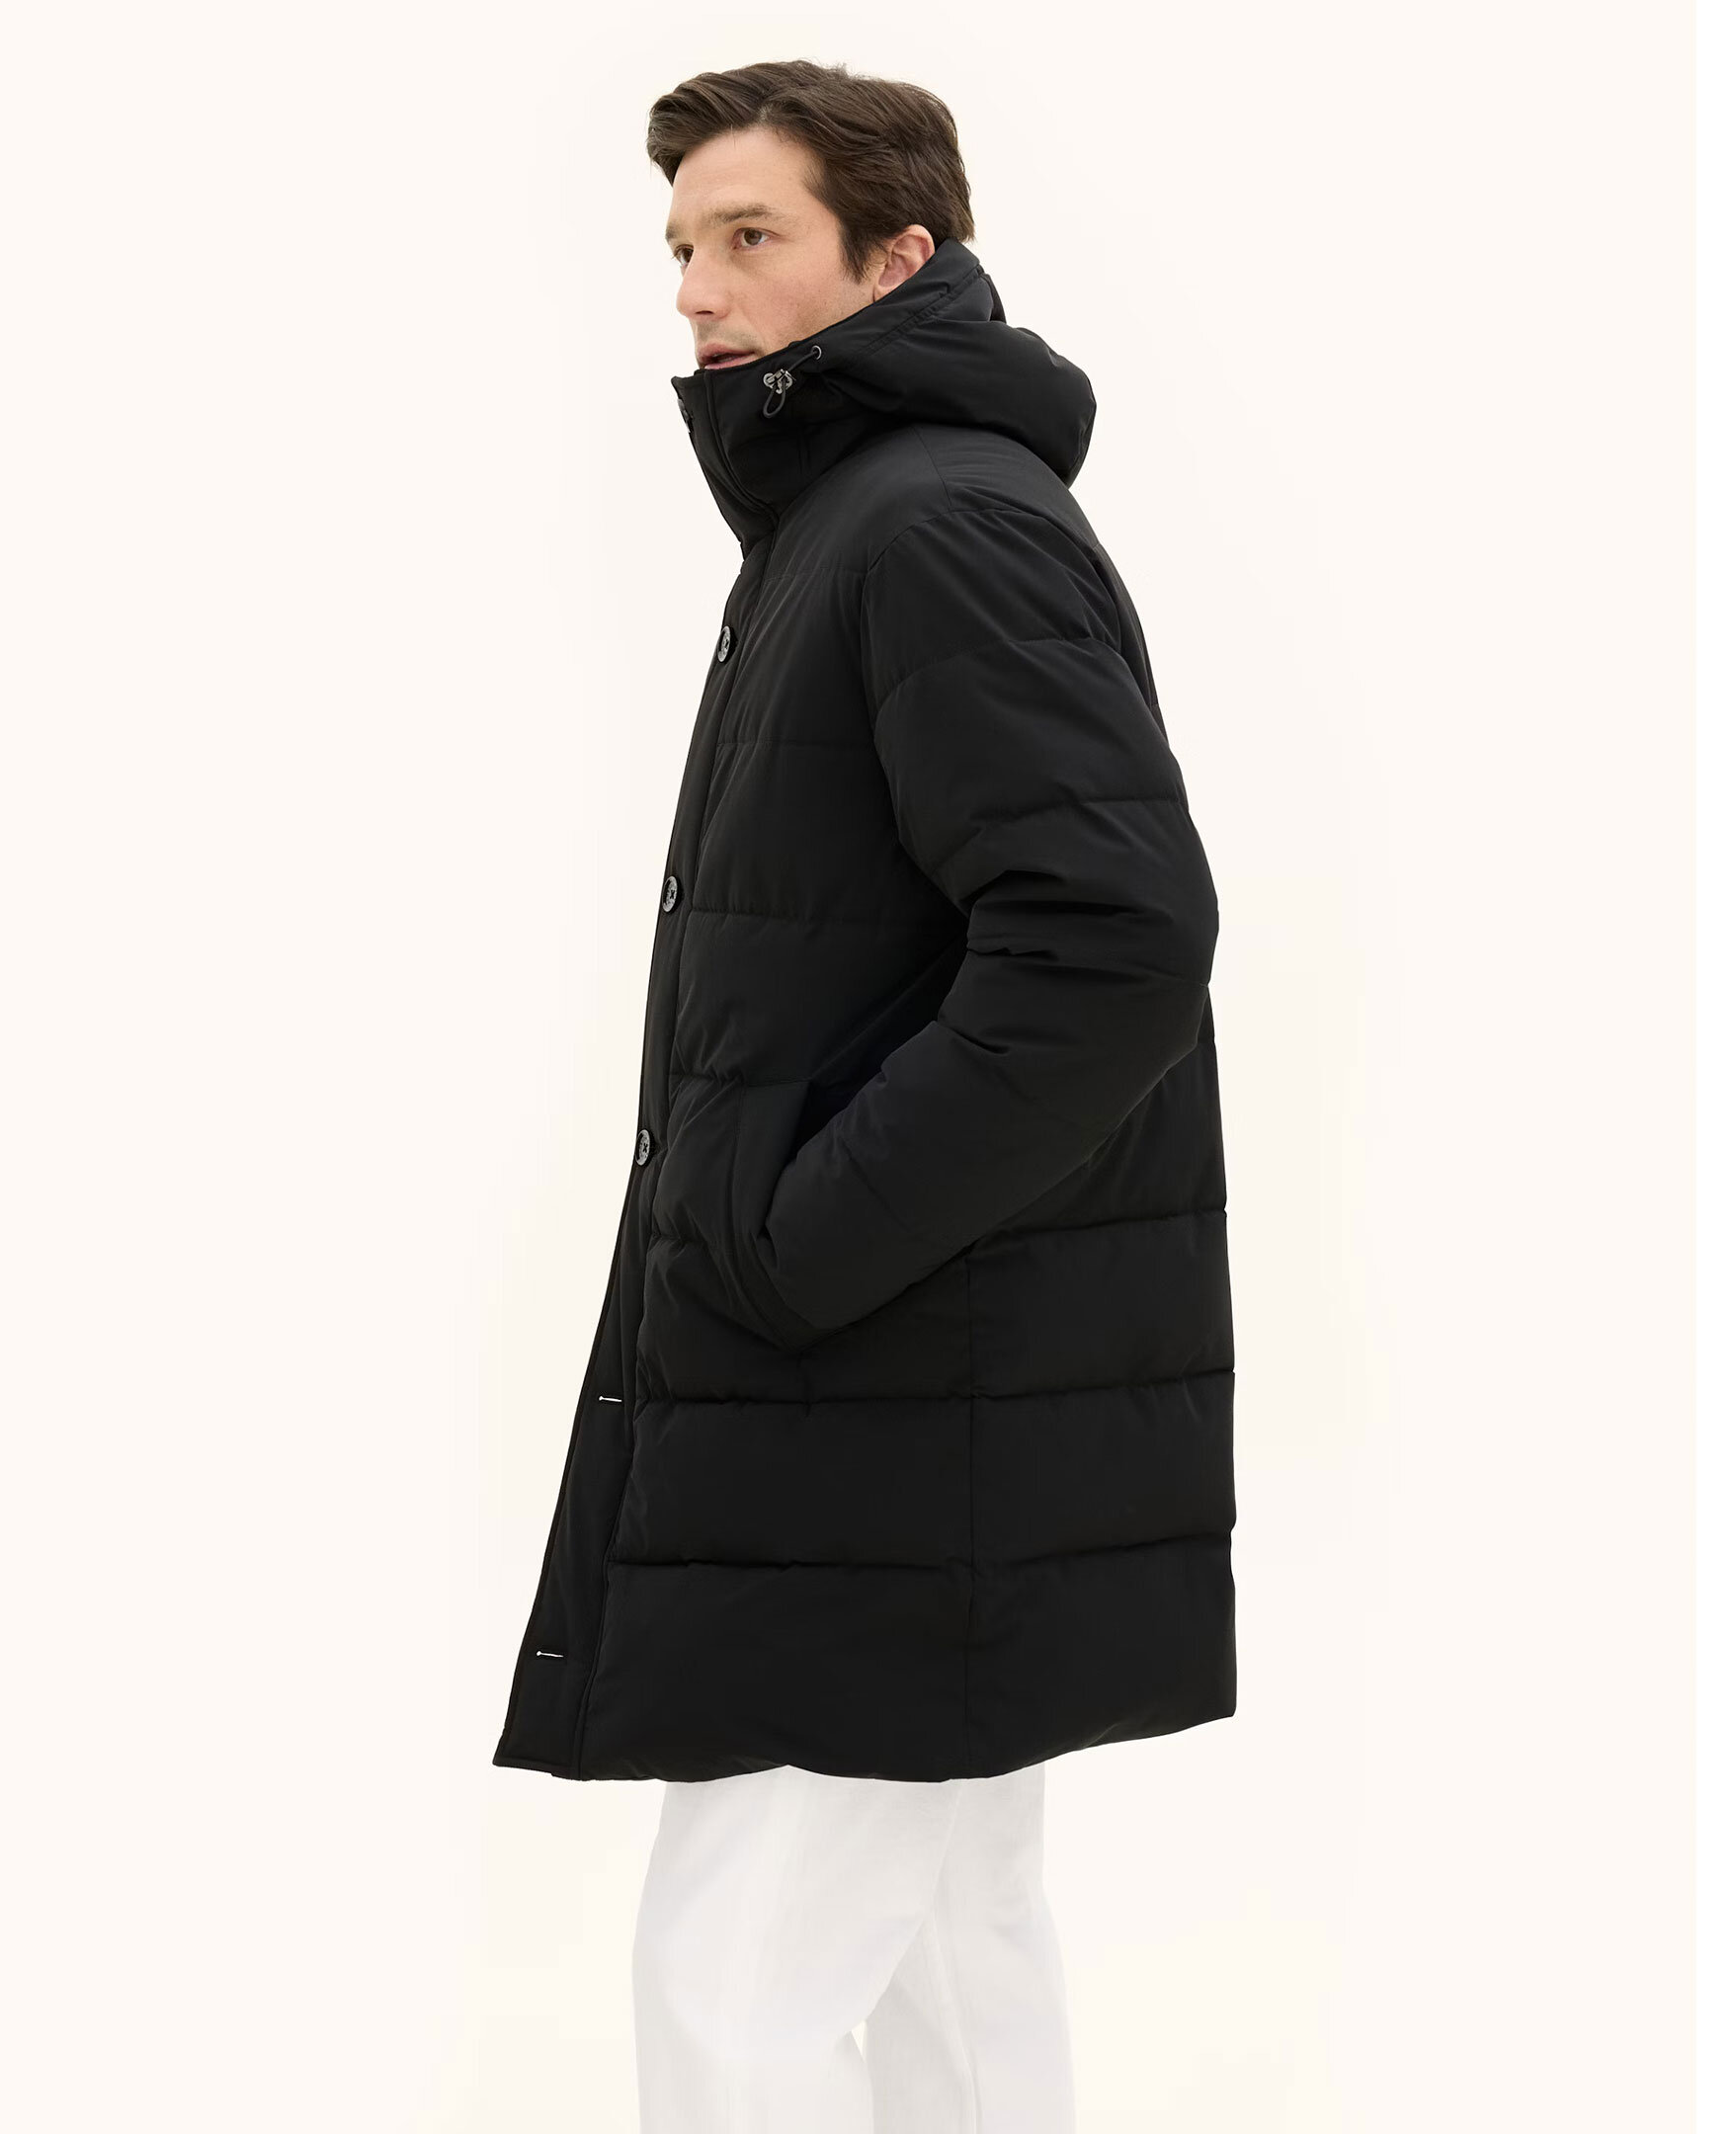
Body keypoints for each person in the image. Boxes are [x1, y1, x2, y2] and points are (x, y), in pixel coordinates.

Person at [493, 57, 1236, 2132]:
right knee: (951, 1965)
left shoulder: (929, 526)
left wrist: (803, 1241)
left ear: (901, 259)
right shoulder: (859, 520)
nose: (697, 290)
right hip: (926, 1404)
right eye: (681, 245)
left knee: (736, 1984)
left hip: (897, 1405)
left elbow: (1108, 942)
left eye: (752, 237)